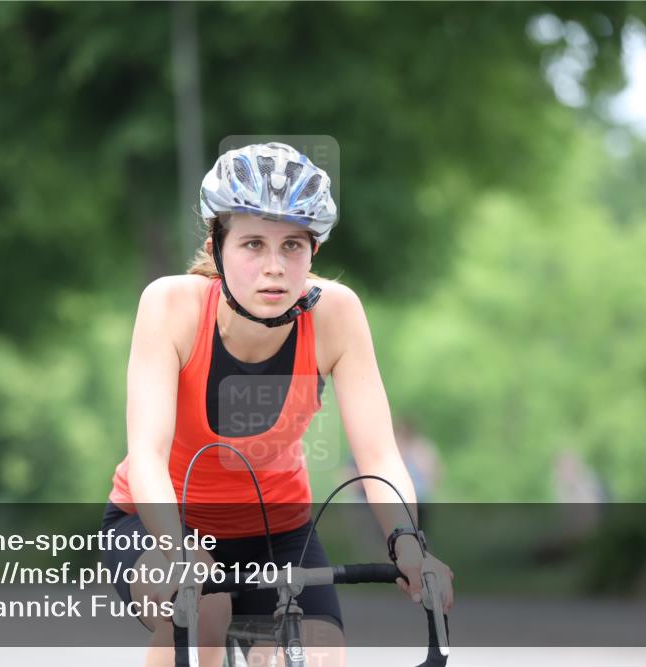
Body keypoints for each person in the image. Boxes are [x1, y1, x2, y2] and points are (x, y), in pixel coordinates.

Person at [101, 142, 454, 667]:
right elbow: (147, 456)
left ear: (314, 252)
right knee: (204, 611)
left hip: (277, 530)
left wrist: (409, 546)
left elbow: (379, 456)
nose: (274, 267)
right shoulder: (170, 305)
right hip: (162, 523)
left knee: (321, 655)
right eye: (252, 244)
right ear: (217, 247)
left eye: (292, 245)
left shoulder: (336, 314)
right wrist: (176, 550)